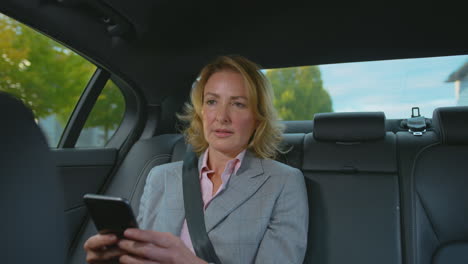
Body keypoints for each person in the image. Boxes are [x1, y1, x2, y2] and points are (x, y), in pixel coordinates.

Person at [84, 55, 309, 264]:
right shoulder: (160, 176)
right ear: (201, 112)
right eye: (212, 101)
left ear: (258, 118)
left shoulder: (283, 182)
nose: (222, 117)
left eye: (238, 103)